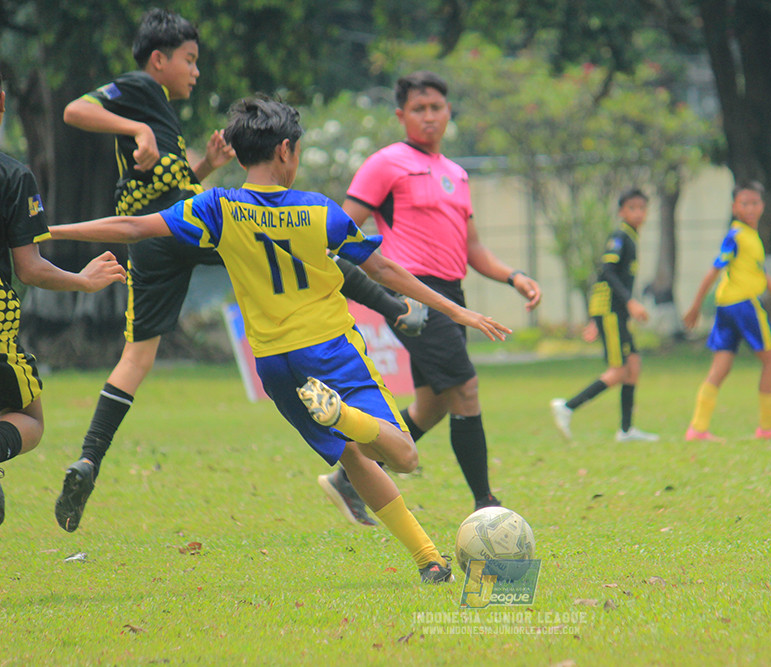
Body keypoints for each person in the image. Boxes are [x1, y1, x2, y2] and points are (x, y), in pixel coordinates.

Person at [50, 95, 511, 582]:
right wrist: (455, 309)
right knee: (402, 454)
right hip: (330, 350)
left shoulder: (217, 206)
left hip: (275, 365)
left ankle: (428, 560)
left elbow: (130, 226)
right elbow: (384, 270)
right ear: (285, 150)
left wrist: (45, 230)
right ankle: (344, 415)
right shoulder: (317, 210)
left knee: (353, 456)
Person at [55, 8, 425, 533]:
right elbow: (74, 110)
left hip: (164, 235)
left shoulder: (162, 108)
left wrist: (206, 166)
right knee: (303, 250)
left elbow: (167, 188)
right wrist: (135, 126)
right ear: (158, 60)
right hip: (174, 224)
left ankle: (90, 457)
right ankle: (395, 307)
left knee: (136, 357)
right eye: (189, 60)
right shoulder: (140, 89)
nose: (195, 71)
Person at [317, 71, 542, 527]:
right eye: (418, 109)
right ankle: (485, 503)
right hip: (412, 294)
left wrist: (513, 276)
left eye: (436, 107)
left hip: (451, 292)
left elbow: (473, 249)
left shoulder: (457, 174)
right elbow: (340, 228)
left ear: (448, 111)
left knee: (433, 405)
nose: (429, 116)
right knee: (466, 388)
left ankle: (350, 474)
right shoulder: (386, 163)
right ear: (401, 115)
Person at [0, 71, 126, 526]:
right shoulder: (13, 176)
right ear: (2, 102)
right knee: (29, 419)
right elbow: (29, 268)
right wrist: (83, 280)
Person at [682, 180, 771, 442]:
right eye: (744, 203)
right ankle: (768, 427)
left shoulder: (750, 237)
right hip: (742, 306)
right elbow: (714, 270)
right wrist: (695, 306)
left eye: (755, 203)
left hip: (726, 306)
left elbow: (761, 275)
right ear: (734, 207)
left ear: (762, 206)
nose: (750, 208)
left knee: (721, 367)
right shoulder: (736, 236)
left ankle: (698, 429)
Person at [550, 188, 659, 443]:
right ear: (621, 211)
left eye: (642, 208)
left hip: (613, 311)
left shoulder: (631, 237)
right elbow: (606, 272)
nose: (638, 213)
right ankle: (567, 407)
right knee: (619, 370)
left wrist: (595, 318)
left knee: (634, 365)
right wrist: (627, 303)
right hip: (611, 311)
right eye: (632, 208)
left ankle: (626, 431)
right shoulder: (620, 237)